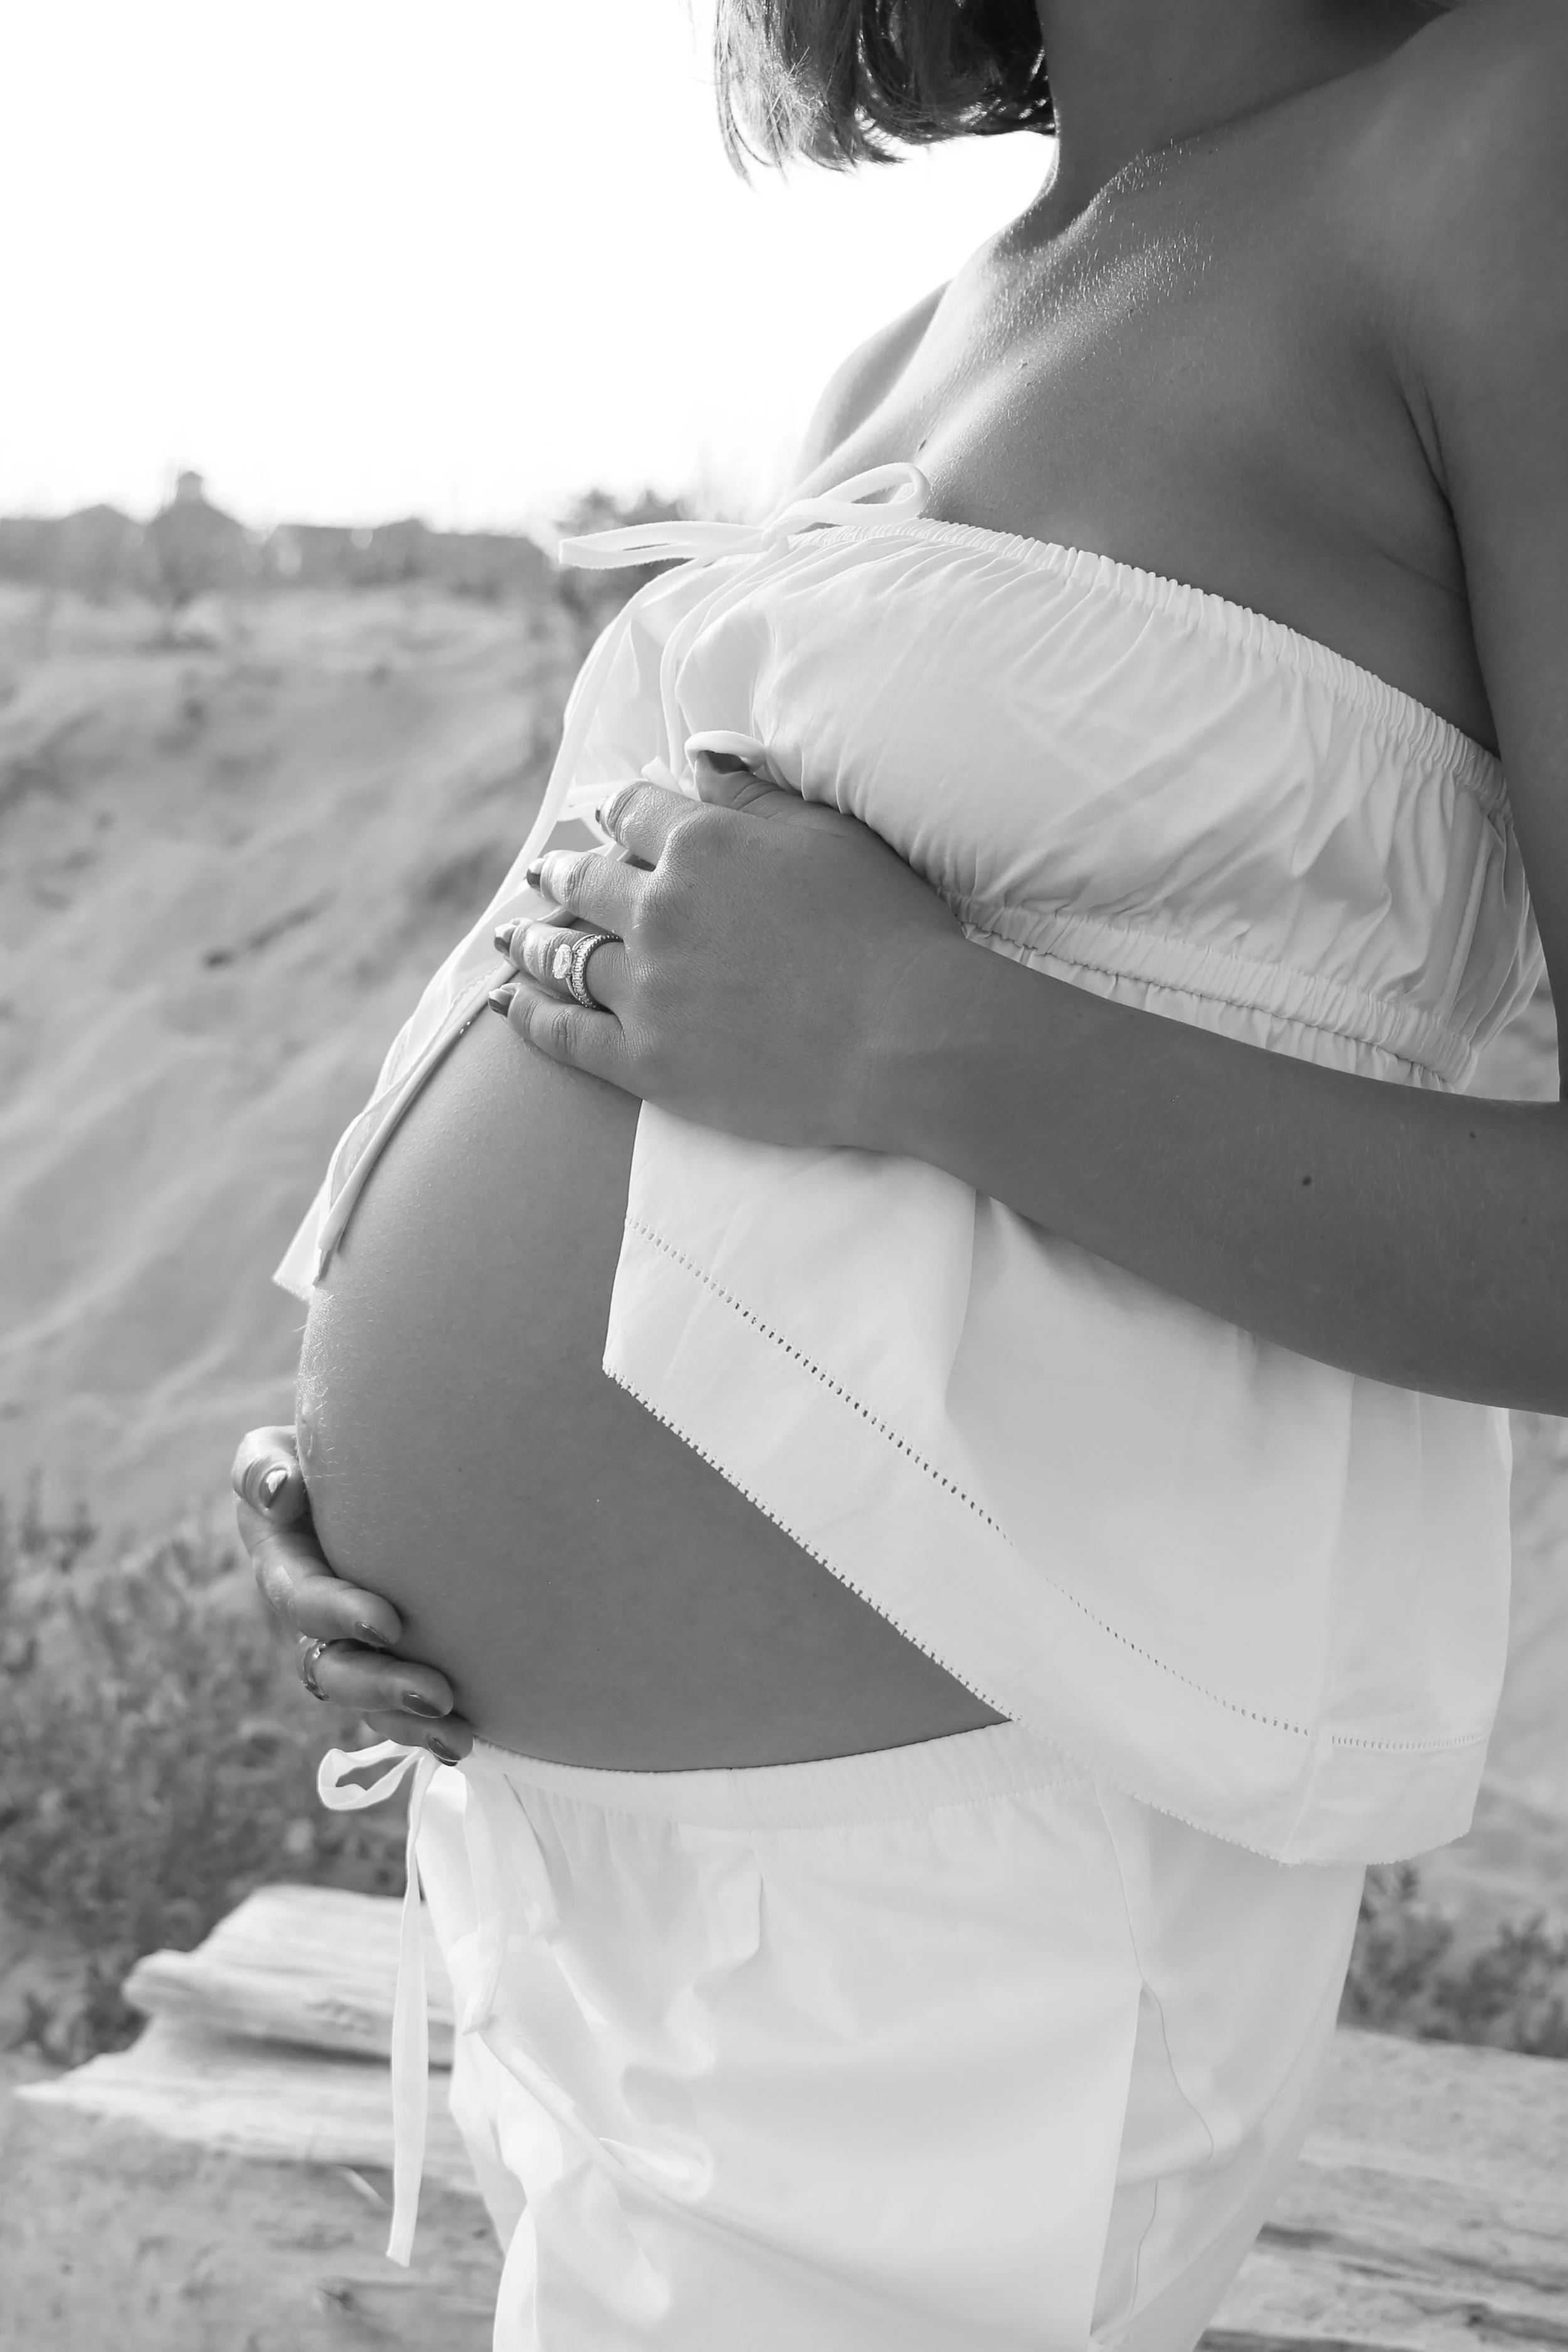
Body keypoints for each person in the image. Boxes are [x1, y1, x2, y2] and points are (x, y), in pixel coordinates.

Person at [233, 1, 1567, 2342]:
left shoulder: (1502, 142)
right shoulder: (918, 336)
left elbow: (830, 1014)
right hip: (585, 1874)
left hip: (951, 1935)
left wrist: (924, 1037)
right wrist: (350, 1465)